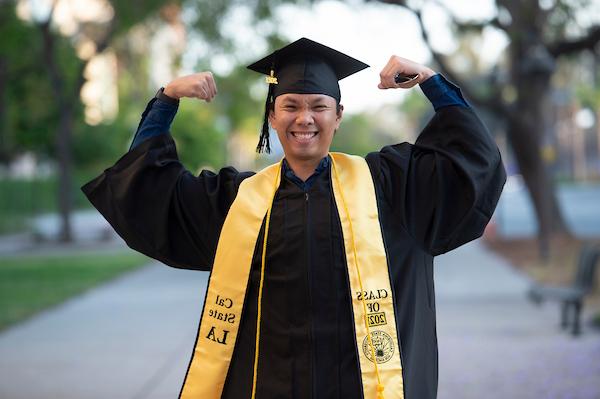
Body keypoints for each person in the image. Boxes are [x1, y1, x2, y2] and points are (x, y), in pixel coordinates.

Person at [82, 38, 506, 399]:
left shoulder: (392, 188)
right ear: (273, 116)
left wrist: (431, 82)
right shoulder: (236, 202)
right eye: (290, 106)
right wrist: (166, 99)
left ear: (337, 117)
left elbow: (472, 163)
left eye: (319, 106)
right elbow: (149, 191)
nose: (305, 118)